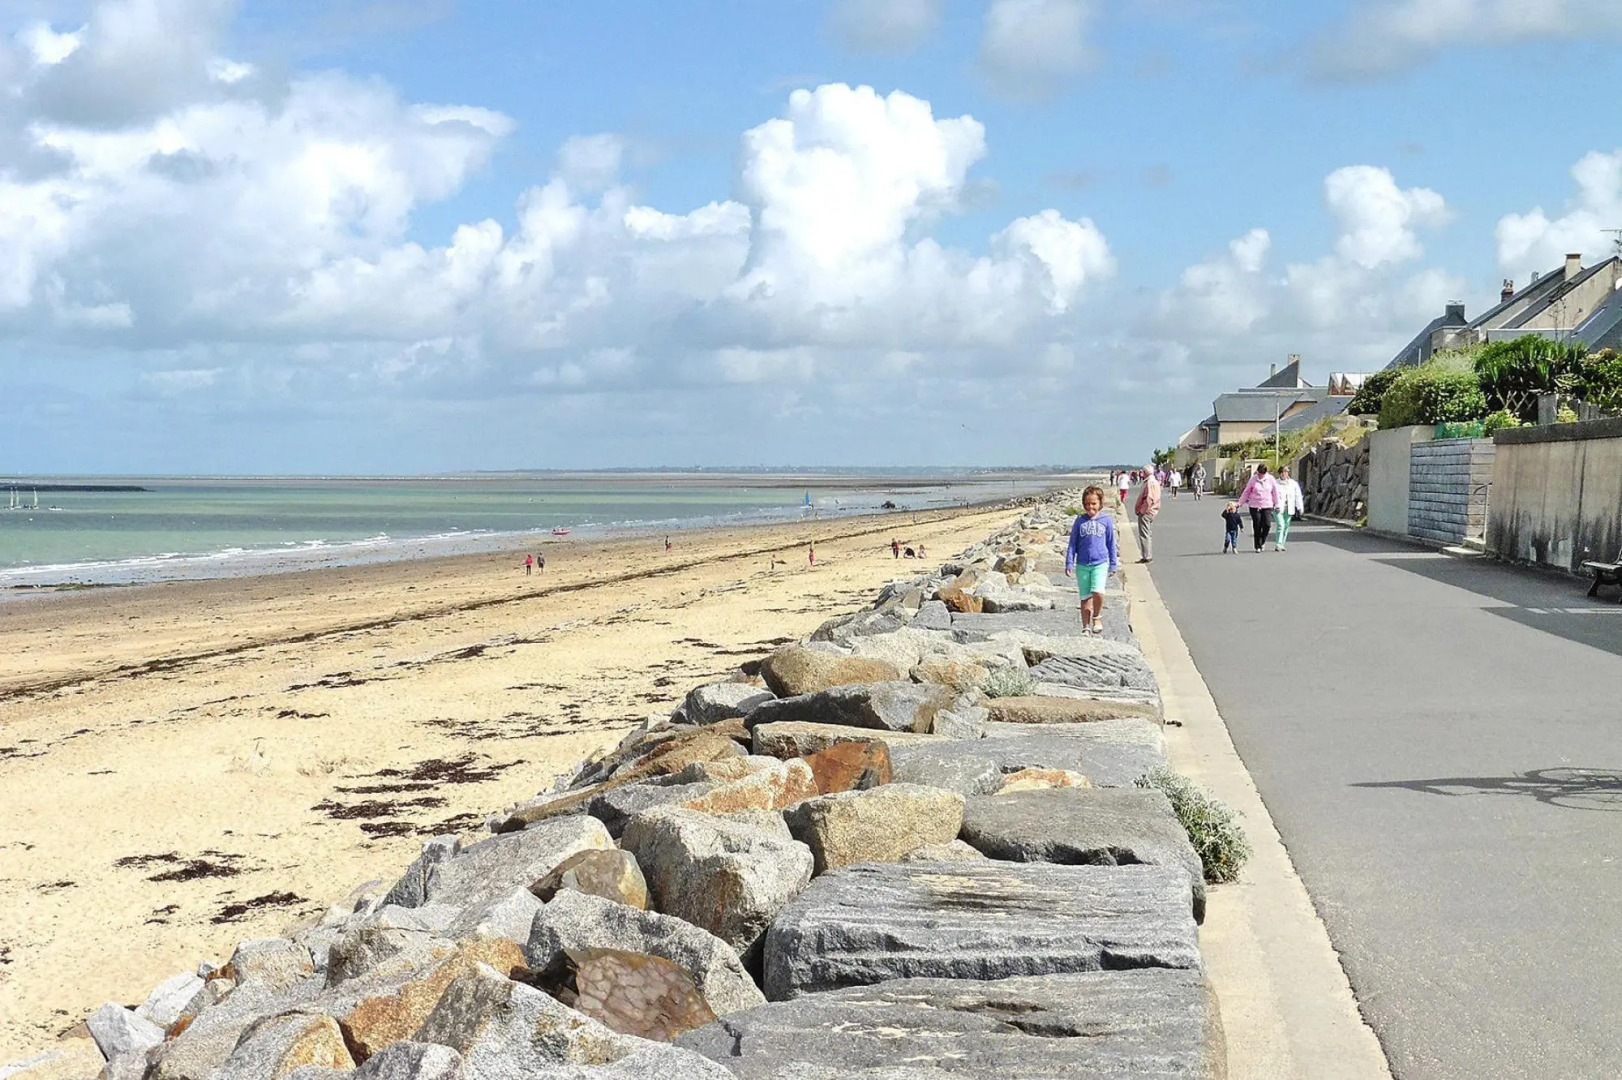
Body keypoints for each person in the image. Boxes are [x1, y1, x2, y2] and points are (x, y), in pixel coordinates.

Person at [1064, 485, 1119, 635]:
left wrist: (1113, 564)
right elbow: (1072, 544)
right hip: (1082, 564)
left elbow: (1111, 543)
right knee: (1085, 598)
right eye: (1087, 504)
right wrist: (1069, 562)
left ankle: (1097, 617)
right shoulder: (1079, 521)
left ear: (1100, 503)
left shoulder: (1106, 521)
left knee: (1098, 591)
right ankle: (1086, 626)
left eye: (1093, 503)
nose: (1090, 507)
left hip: (1100, 563)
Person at [1237, 463, 1280, 552]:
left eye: (1262, 473)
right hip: (1254, 505)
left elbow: (1275, 493)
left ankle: (1262, 540)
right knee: (1257, 524)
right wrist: (1240, 503)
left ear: (1265, 472)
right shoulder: (1253, 479)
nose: (1260, 475)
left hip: (1267, 505)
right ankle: (1258, 546)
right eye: (1259, 473)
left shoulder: (1271, 479)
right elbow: (1246, 492)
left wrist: (1277, 504)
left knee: (1267, 525)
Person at [1133, 466, 1161, 563]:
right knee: (1148, 533)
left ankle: (1146, 556)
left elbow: (1149, 498)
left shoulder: (1149, 482)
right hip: (1152, 510)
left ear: (1145, 473)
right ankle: (1147, 555)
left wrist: (1142, 510)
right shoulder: (1154, 481)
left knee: (1144, 534)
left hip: (1147, 512)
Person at [1275, 466, 1304, 551]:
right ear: (1279, 473)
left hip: (1289, 507)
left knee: (1286, 526)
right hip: (1278, 508)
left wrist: (1300, 507)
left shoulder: (1293, 483)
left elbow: (1298, 496)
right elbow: (1271, 495)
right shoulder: (1275, 483)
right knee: (1280, 525)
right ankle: (1278, 544)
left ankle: (1282, 544)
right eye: (1282, 472)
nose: (1284, 474)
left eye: (1286, 472)